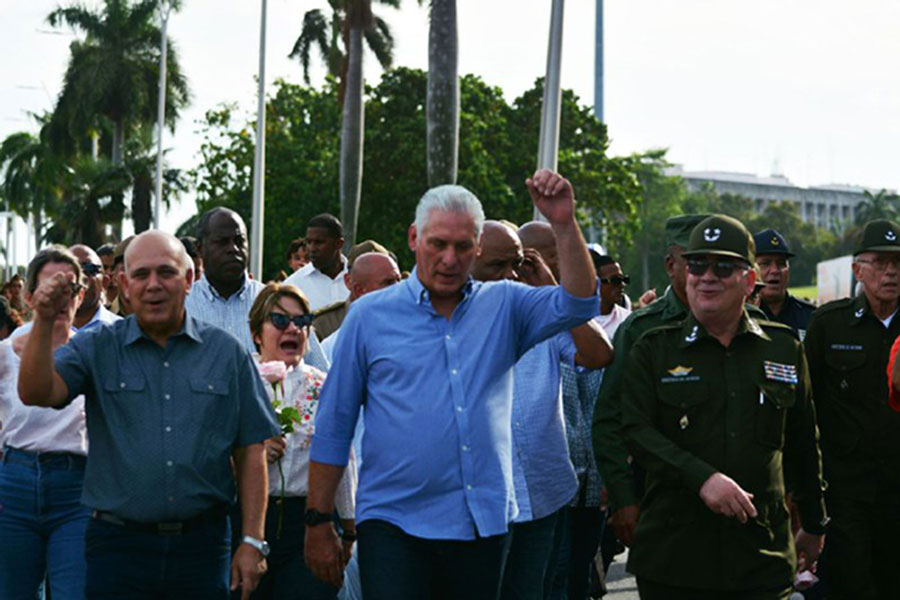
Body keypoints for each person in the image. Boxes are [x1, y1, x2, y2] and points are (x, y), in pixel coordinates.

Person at [305, 170, 599, 598]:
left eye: (463, 246)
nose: (449, 259)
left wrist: (564, 223)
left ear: (477, 246)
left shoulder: (505, 306)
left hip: (481, 524)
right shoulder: (370, 317)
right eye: (437, 243)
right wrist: (318, 523)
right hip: (394, 523)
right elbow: (334, 423)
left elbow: (579, 302)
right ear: (412, 239)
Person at [17, 230, 280, 599]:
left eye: (166, 273)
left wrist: (253, 540)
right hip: (118, 548)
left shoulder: (225, 353)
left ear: (189, 280)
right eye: (141, 275)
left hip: (202, 549)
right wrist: (44, 321)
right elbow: (35, 392)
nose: (153, 285)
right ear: (123, 284)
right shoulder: (97, 347)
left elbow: (251, 450)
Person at [621, 214, 827, 599]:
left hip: (760, 556)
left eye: (723, 266)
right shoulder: (653, 347)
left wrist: (814, 522)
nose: (707, 276)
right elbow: (635, 429)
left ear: (749, 281)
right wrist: (701, 477)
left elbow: (802, 440)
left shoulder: (782, 347)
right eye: (697, 265)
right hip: (674, 557)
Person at [469, 221, 611, 600]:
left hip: (541, 495)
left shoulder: (539, 311)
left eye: (517, 265)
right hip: (478, 502)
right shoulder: (448, 318)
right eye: (497, 267)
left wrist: (553, 291)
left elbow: (599, 354)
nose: (510, 276)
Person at [593, 214, 709, 549]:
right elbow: (609, 419)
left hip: (741, 504)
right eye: (694, 262)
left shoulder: (752, 327)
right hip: (664, 503)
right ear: (671, 265)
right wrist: (622, 496)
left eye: (716, 263)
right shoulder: (641, 329)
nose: (706, 273)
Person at [805, 219, 900, 600]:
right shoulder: (830, 325)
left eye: (897, 262)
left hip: (897, 488)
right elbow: (804, 409)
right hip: (846, 490)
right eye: (880, 262)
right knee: (852, 585)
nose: (891, 271)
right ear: (858, 270)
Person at [247, 283, 358, 600]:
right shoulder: (239, 381)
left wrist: (349, 531)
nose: (293, 328)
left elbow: (344, 461)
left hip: (309, 523)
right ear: (257, 333)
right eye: (280, 321)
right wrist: (252, 454)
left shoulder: (324, 385)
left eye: (302, 321)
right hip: (247, 522)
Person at [0, 247, 90, 599]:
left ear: (80, 295)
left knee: (75, 592)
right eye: (49, 289)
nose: (58, 300)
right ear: (28, 296)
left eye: (67, 290)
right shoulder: (5, 354)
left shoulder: (88, 352)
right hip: (14, 485)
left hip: (76, 490)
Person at [185, 207, 331, 372]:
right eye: (222, 242)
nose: (233, 249)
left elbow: (323, 377)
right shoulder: (182, 307)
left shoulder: (279, 303)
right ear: (199, 248)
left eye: (239, 241)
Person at [319, 251, 401, 361]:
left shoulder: (417, 334)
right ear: (360, 290)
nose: (398, 288)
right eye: (388, 282)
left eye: (399, 280)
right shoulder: (333, 346)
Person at [314, 240, 395, 342]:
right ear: (348, 281)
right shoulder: (324, 324)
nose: (395, 288)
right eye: (387, 282)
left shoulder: (403, 319)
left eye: (397, 280)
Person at [753, 228, 815, 339]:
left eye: (781, 263)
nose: (775, 270)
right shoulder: (740, 316)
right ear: (751, 270)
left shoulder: (809, 316)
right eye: (765, 264)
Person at [284, 214, 349, 311]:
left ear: (338, 244)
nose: (312, 248)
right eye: (308, 242)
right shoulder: (293, 285)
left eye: (319, 242)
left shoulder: (359, 279)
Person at [70, 244, 121, 331]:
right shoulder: (43, 332)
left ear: (104, 282)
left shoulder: (121, 331)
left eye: (90, 269)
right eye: (72, 270)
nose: (81, 277)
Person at [594, 254, 632, 337]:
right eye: (615, 280)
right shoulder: (577, 321)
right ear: (596, 283)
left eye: (624, 279)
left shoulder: (628, 321)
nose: (622, 285)